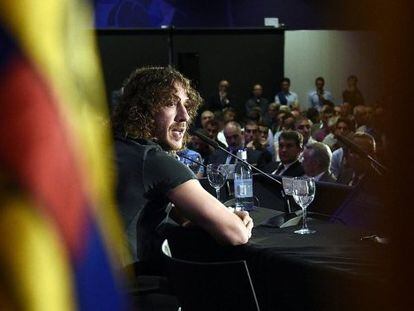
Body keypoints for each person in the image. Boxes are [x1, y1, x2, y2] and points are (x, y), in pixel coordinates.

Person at [112, 67, 253, 266]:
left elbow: (181, 216)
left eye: (186, 105)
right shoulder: (153, 160)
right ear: (142, 109)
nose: (185, 116)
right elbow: (235, 234)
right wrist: (238, 222)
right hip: (126, 289)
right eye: (170, 103)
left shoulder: (113, 146)